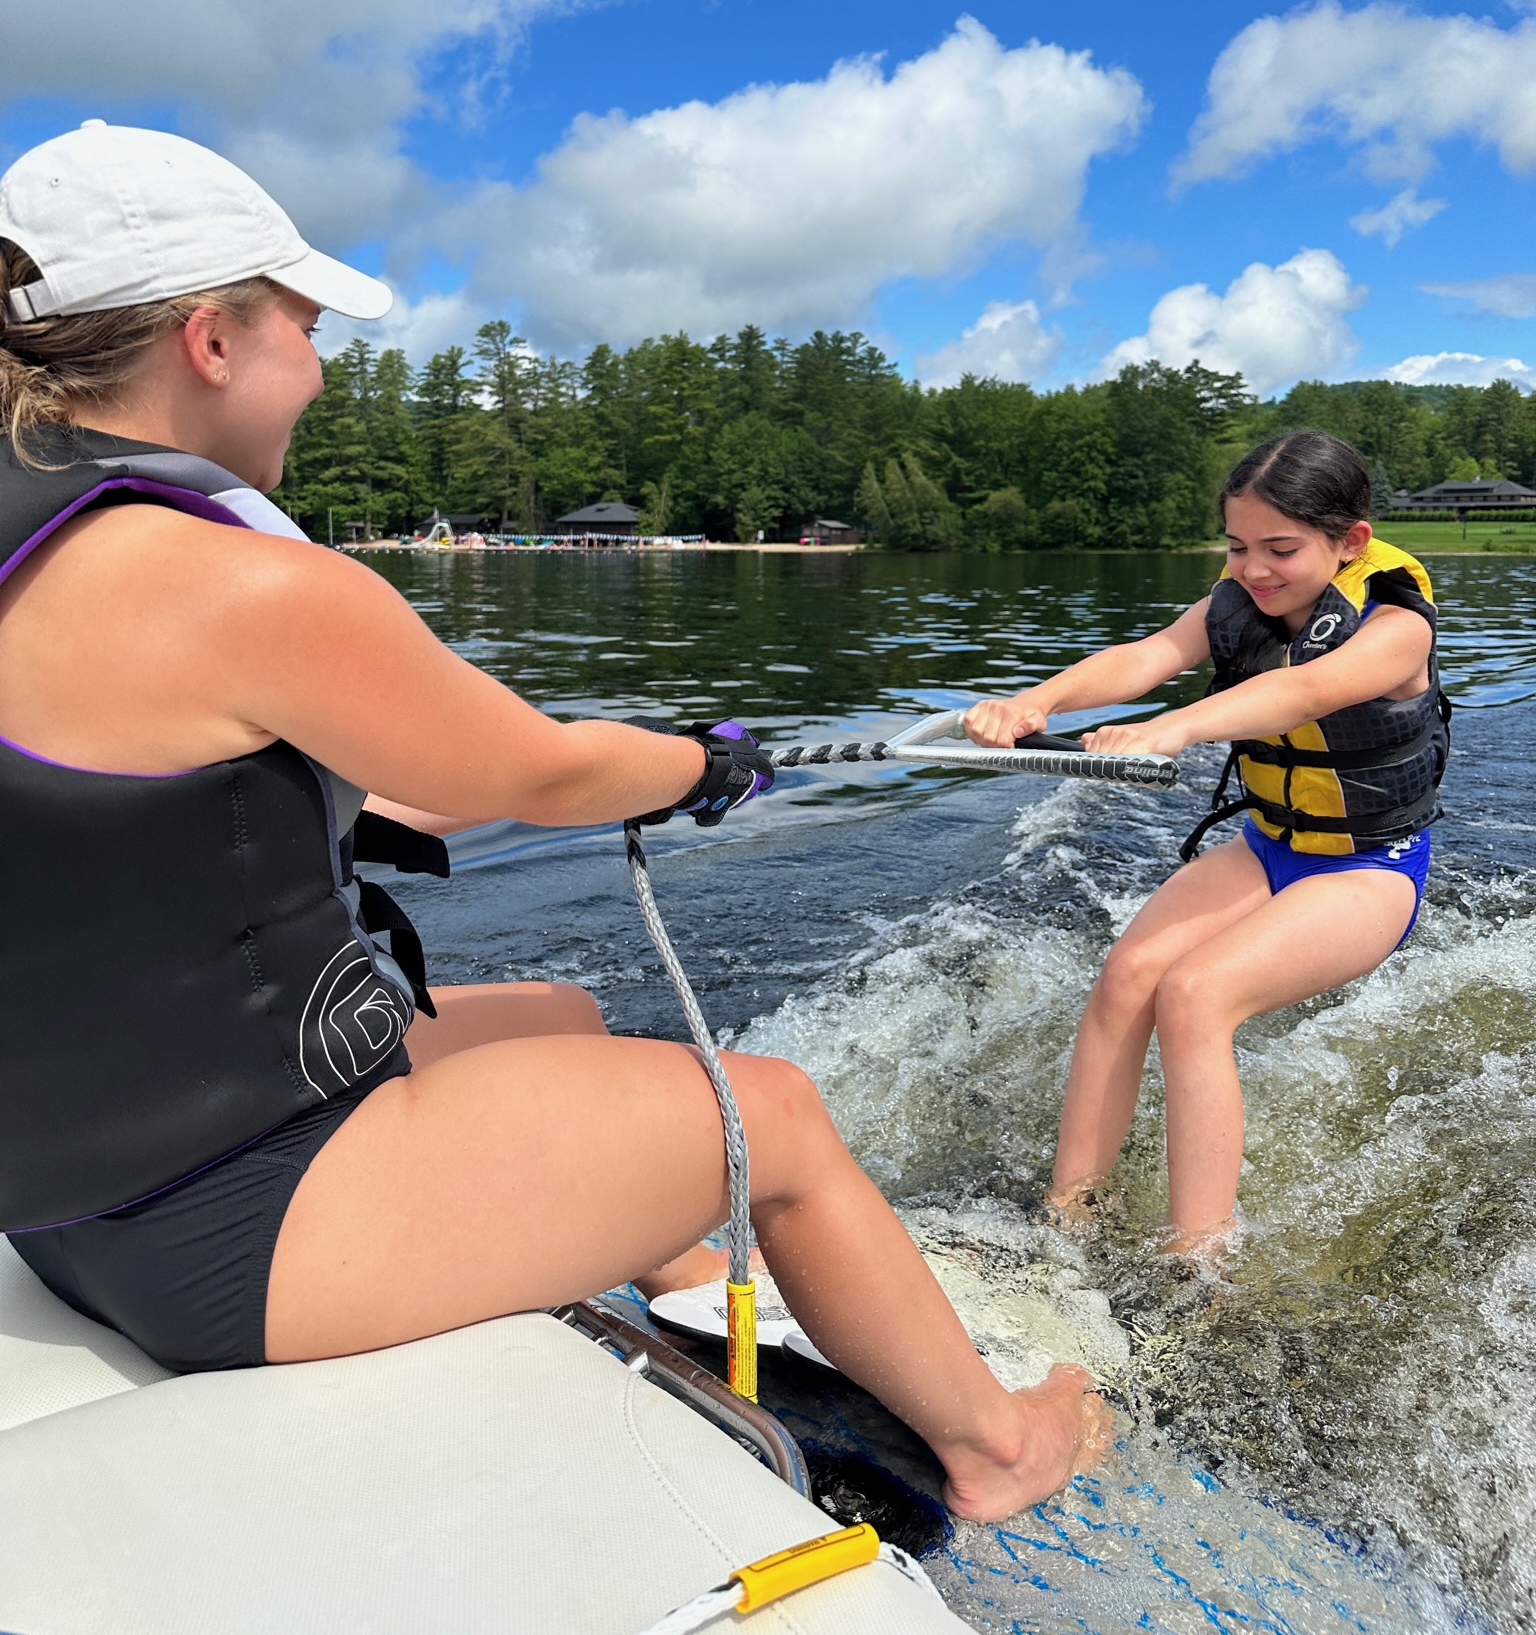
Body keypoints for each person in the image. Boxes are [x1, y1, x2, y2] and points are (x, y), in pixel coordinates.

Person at [0, 120, 1106, 1521]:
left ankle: (667, 1265)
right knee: (772, 1116)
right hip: (231, 1231)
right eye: (306, 326)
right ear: (211, 340)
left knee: (567, 1016)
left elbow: (190, 792)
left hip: (68, 1209)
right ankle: (1000, 1448)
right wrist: (700, 763)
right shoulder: (240, 586)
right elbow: (542, 776)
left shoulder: (37, 547)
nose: (321, 366)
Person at [965, 430, 1448, 1247]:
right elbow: (1147, 655)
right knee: (1130, 976)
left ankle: (1198, 1267)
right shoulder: (1238, 596)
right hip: (1269, 847)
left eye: (1280, 549)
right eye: (1237, 545)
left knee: (1195, 994)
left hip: (1371, 869)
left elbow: (1305, 691)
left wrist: (1176, 727)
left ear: (1350, 540)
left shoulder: (1397, 626)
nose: (1254, 569)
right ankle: (1069, 1213)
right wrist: (1034, 701)